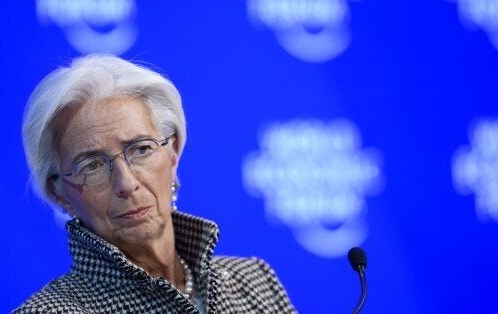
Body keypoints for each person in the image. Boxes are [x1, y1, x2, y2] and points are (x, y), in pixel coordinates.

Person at [15, 54, 296, 313]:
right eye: (92, 166)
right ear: (60, 193)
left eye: (141, 150)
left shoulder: (254, 281)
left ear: (172, 154)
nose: (126, 183)